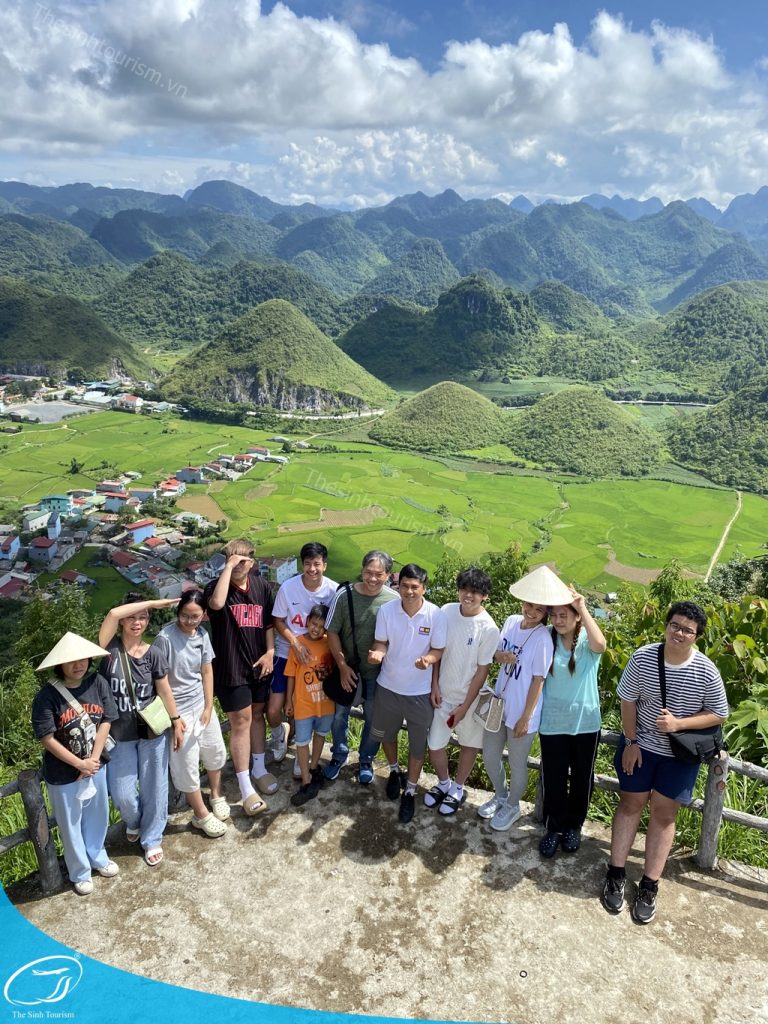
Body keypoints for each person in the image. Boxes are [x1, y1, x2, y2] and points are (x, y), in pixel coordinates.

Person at [602, 601, 728, 924]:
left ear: (697, 636)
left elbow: (718, 713)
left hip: (679, 756)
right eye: (675, 625)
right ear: (666, 625)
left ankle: (649, 885)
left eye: (688, 629)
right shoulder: (643, 657)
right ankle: (616, 873)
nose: (679, 633)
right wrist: (630, 742)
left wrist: (679, 724)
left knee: (664, 813)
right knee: (630, 804)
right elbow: (627, 699)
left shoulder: (706, 671)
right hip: (640, 746)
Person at [481, 566, 569, 832]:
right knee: (489, 755)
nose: (531, 613)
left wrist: (525, 718)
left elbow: (538, 680)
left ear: (546, 614)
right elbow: (495, 652)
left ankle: (513, 805)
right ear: (522, 602)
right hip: (499, 704)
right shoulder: (509, 622)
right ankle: (500, 795)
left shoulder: (543, 639)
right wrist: (501, 657)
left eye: (539, 610)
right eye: (529, 605)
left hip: (521, 711)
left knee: (517, 763)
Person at [99, 594, 183, 867]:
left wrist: (176, 720)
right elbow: (111, 613)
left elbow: (164, 689)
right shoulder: (107, 649)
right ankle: (134, 821)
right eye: (133, 616)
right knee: (122, 792)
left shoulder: (154, 654)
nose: (137, 622)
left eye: (143, 617)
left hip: (152, 731)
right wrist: (155, 604)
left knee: (155, 787)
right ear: (124, 619)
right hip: (119, 733)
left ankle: (152, 837)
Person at [32, 632, 119, 896]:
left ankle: (98, 856)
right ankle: (79, 871)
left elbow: (106, 719)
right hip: (63, 773)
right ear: (60, 665)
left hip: (95, 765)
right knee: (70, 824)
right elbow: (47, 738)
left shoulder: (98, 682)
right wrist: (78, 764)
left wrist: (92, 759)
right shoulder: (46, 697)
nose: (78, 665)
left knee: (98, 815)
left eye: (83, 659)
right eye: (71, 661)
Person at [368, 563, 447, 823]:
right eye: (404, 586)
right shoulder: (387, 611)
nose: (409, 591)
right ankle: (393, 771)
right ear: (397, 585)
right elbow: (382, 641)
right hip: (388, 686)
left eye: (415, 587)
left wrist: (427, 659)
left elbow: (438, 650)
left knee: (416, 745)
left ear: (424, 588)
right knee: (385, 735)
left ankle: (410, 791)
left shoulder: (435, 615)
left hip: (419, 693)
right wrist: (379, 652)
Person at [203, 538, 275, 813]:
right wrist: (227, 568)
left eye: (243, 560)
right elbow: (217, 604)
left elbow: (268, 623)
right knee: (240, 722)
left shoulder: (262, 587)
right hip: (231, 667)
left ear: (252, 562)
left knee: (257, 714)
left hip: (258, 663)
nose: (237, 564)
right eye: (231, 558)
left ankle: (259, 768)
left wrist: (269, 652)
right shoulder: (217, 586)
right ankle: (245, 786)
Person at [152, 591, 229, 838]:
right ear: (178, 612)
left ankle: (216, 794)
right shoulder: (164, 638)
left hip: (201, 705)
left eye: (195, 616)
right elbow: (160, 680)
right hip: (178, 711)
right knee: (185, 764)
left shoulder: (203, 635)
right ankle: (200, 814)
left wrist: (209, 707)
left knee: (215, 750)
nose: (189, 621)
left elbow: (207, 671)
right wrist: (174, 718)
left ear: (204, 615)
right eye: (185, 615)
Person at [425, 567, 500, 816]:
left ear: (485, 596)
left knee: (469, 745)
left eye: (476, 592)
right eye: (465, 589)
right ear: (459, 590)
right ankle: (444, 783)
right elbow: (437, 650)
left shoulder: (488, 628)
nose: (469, 595)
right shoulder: (446, 611)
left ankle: (458, 788)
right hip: (443, 695)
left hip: (470, 698)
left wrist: (465, 707)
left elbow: (482, 671)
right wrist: (434, 685)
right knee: (435, 744)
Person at [538, 586, 606, 857]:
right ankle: (554, 827)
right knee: (554, 779)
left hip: (585, 723)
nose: (558, 620)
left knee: (581, 779)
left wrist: (583, 607)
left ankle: (573, 827)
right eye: (555, 615)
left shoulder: (586, 643)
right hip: (553, 723)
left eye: (565, 615)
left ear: (577, 617)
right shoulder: (546, 637)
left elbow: (601, 644)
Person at [323, 550, 398, 785]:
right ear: (362, 569)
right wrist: (342, 665)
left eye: (379, 574)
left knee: (374, 719)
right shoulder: (344, 596)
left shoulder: (394, 600)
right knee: (339, 716)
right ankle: (339, 754)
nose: (372, 578)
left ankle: (366, 758)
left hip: (379, 674)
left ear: (387, 575)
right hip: (348, 670)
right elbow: (331, 631)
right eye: (368, 572)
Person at [272, 542, 337, 767]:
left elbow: (337, 626)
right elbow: (278, 619)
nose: (312, 569)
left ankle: (303, 753)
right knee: (276, 707)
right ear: (302, 564)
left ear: (324, 565)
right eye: (307, 563)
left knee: (312, 703)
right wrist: (296, 644)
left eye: (316, 564)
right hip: (286, 651)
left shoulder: (332, 591)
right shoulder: (288, 588)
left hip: (318, 657)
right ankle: (281, 735)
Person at [284, 604, 335, 806]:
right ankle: (305, 779)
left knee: (321, 735)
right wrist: (289, 700)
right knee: (302, 741)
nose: (316, 629)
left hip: (326, 703)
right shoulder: (298, 644)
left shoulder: (329, 643)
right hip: (304, 703)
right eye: (314, 624)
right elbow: (290, 675)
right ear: (307, 622)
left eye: (321, 626)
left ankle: (314, 767)